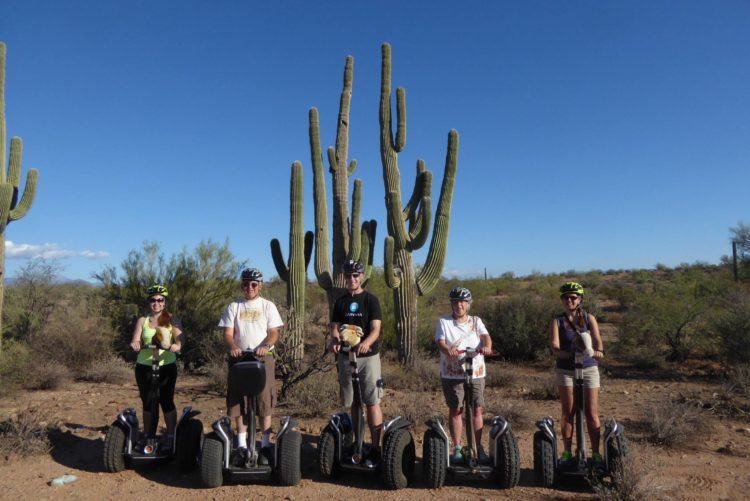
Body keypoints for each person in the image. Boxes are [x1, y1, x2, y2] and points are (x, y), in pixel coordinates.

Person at [218, 268, 283, 461]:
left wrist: (266, 345)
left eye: (254, 284)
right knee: (239, 400)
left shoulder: (267, 306)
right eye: (246, 283)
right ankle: (241, 444)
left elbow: (274, 332)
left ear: (260, 286)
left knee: (264, 399)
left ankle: (264, 444)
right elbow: (228, 334)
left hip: (262, 357)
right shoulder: (234, 306)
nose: (250, 287)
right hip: (239, 358)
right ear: (242, 285)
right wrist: (233, 346)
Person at [327, 260, 384, 464]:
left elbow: (376, 329)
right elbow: (334, 326)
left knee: (371, 401)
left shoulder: (370, 300)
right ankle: (358, 444)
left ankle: (376, 447)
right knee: (353, 403)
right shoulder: (340, 301)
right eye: (348, 275)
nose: (352, 279)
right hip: (346, 357)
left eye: (355, 275)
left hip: (367, 358)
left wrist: (366, 343)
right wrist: (334, 340)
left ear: (361, 276)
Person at [435, 286, 493, 463]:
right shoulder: (444, 322)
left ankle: (478, 446)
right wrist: (448, 349)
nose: (458, 305)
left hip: (475, 371)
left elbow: (485, 337)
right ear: (451, 304)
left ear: (468, 304)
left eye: (462, 302)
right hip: (452, 373)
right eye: (455, 302)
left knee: (477, 409)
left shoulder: (476, 321)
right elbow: (440, 341)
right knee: (456, 409)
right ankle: (458, 447)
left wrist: (487, 346)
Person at [549, 281, 605, 464]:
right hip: (566, 369)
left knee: (591, 413)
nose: (569, 300)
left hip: (588, 368)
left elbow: (598, 343)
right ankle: (566, 452)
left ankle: (596, 453)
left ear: (580, 299)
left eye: (573, 297)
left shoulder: (590, 319)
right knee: (568, 412)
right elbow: (555, 347)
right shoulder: (557, 321)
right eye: (565, 297)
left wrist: (598, 352)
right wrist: (567, 353)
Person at [129, 284, 183, 451]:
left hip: (166, 366)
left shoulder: (171, 319)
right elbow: (136, 339)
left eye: (160, 300)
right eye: (153, 300)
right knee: (148, 401)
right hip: (145, 365)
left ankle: (172, 435)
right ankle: (148, 435)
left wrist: (177, 345)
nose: (156, 303)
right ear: (149, 302)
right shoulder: (142, 321)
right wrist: (135, 344)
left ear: (164, 302)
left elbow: (180, 339)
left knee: (166, 401)